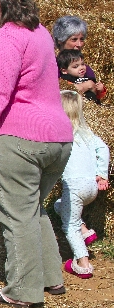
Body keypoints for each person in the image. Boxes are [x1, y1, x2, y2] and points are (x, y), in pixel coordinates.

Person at [0, 0, 73, 307]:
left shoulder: (5, 38)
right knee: (33, 207)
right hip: (58, 139)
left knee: (16, 215)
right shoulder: (40, 32)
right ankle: (51, 277)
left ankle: (22, 290)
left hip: (17, 139)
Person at [54, 90, 110, 279]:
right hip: (91, 188)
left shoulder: (59, 135)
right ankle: (85, 231)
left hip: (74, 187)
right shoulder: (87, 134)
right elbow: (104, 148)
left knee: (69, 226)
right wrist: (102, 174)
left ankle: (82, 263)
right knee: (58, 205)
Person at [52, 15, 105, 99]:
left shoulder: (86, 70)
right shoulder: (52, 67)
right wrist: (87, 85)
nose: (79, 44)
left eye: (82, 39)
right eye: (74, 39)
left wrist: (100, 89)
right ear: (60, 41)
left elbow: (97, 96)